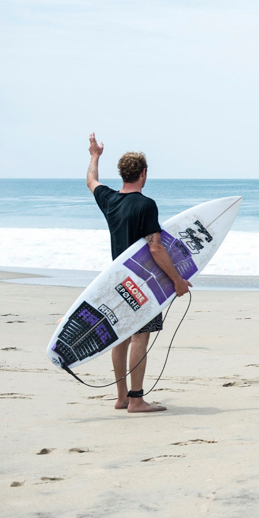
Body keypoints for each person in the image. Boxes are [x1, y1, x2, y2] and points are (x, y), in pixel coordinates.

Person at [86, 133, 191, 413]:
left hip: (115, 279)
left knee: (120, 336)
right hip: (142, 284)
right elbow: (155, 248)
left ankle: (121, 397)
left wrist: (94, 156)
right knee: (139, 337)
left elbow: (91, 181)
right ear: (144, 173)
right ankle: (136, 400)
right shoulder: (146, 205)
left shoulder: (109, 200)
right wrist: (177, 281)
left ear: (123, 173)